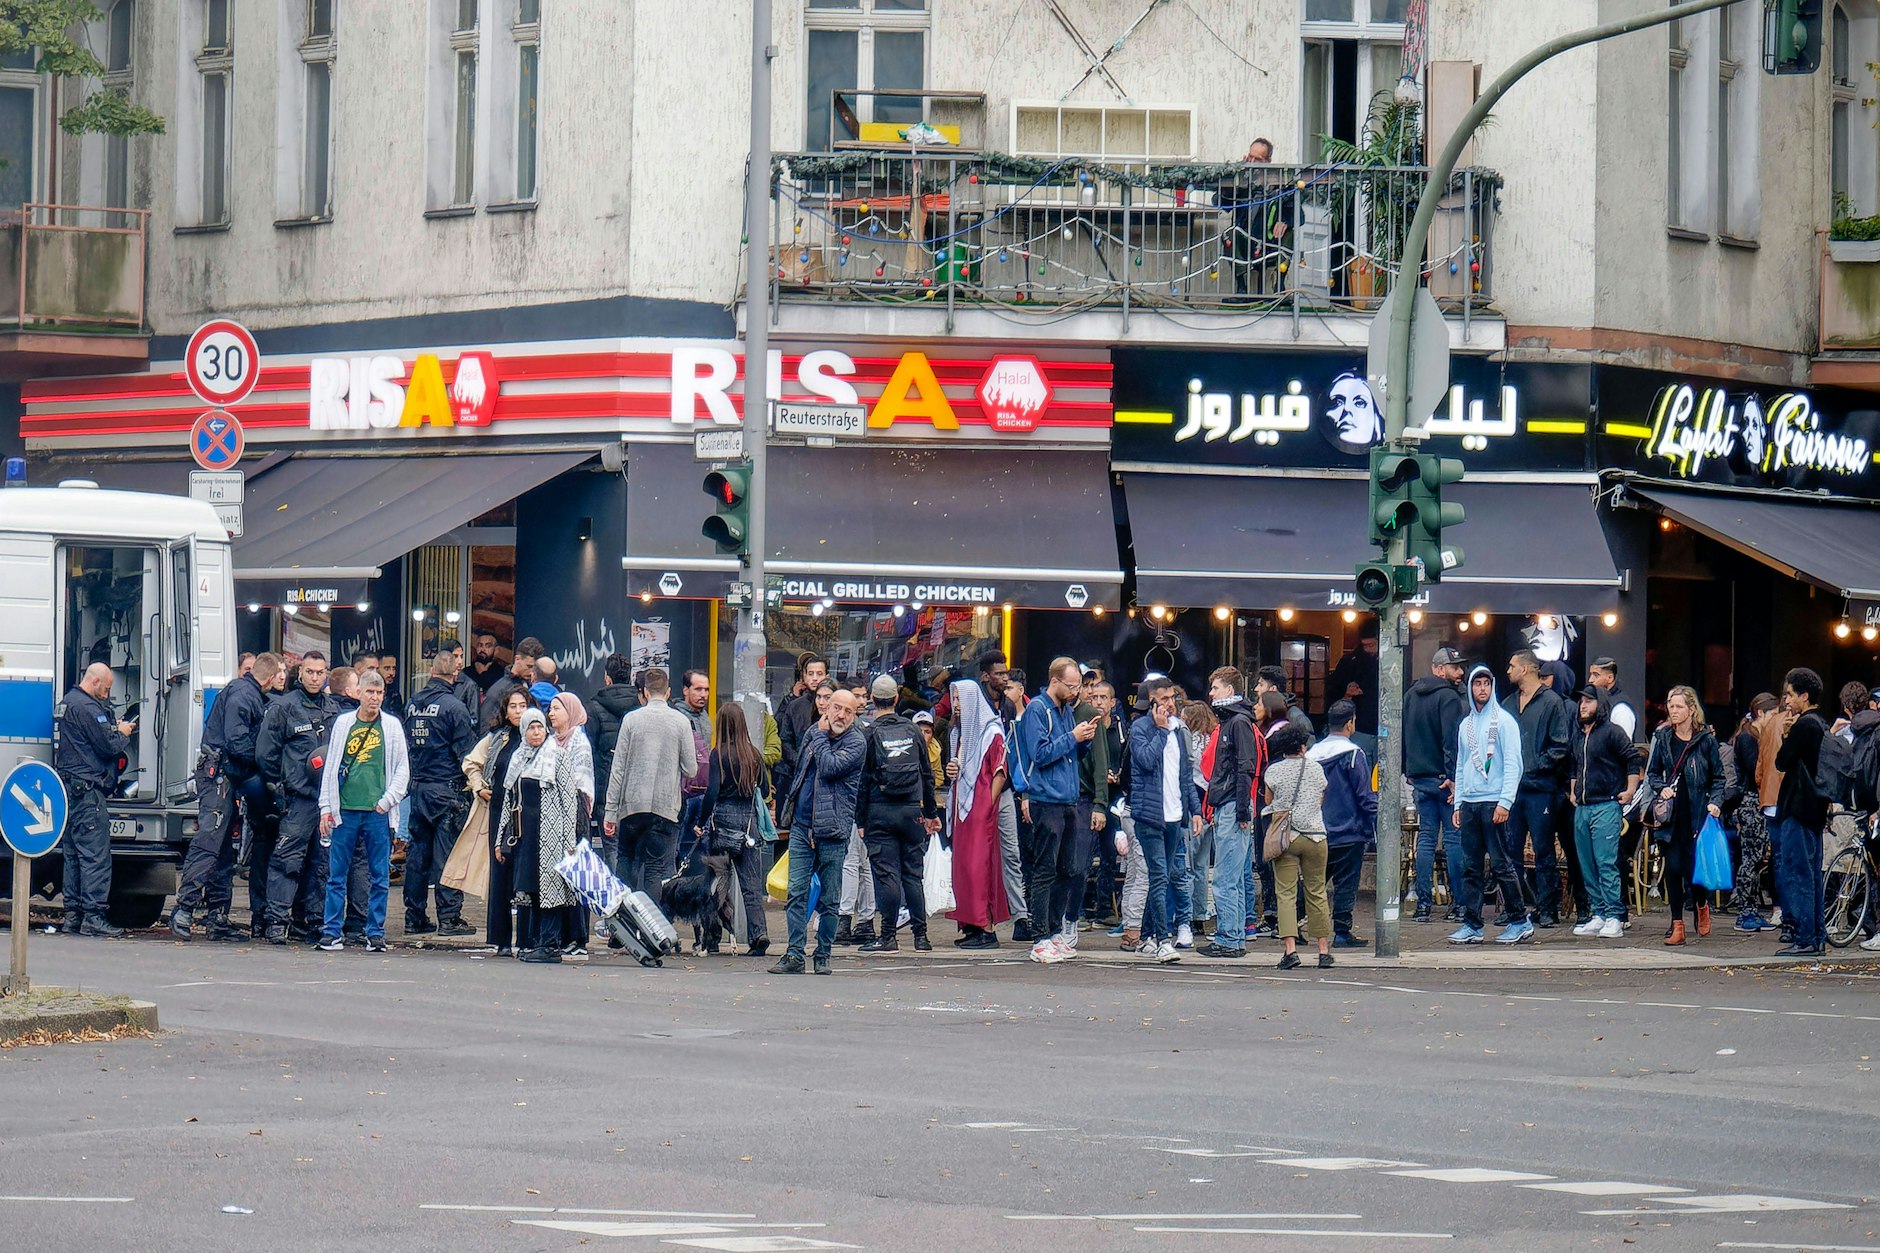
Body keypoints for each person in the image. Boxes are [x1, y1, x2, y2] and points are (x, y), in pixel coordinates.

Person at [173, 651, 281, 941]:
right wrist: (265, 761)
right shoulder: (244, 696)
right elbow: (237, 742)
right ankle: (184, 908)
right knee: (209, 842)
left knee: (222, 849)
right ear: (269, 677)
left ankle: (217, 917)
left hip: (224, 774)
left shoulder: (243, 692)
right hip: (219, 774)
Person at [770, 688, 868, 976]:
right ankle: (794, 954)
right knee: (797, 891)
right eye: (836, 707)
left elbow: (829, 767)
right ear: (826, 706)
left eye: (848, 711)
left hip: (833, 829)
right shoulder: (815, 732)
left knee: (830, 898)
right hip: (802, 825)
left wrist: (821, 737)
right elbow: (801, 771)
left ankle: (823, 954)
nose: (840, 714)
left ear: (854, 715)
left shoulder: (855, 742)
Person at [315, 671, 408, 953]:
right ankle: (332, 931)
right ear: (360, 693)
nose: (375, 698)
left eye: (379, 693)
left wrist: (387, 801)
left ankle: (375, 932)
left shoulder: (391, 726)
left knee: (379, 875)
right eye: (370, 692)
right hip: (345, 810)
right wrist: (326, 808)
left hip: (377, 812)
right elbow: (331, 767)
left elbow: (402, 770)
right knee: (336, 874)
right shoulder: (344, 723)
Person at [1013, 658, 1097, 961]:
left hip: (1067, 800)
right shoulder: (1038, 708)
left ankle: (1054, 930)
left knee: (1068, 868)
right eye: (1071, 685)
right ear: (1055, 681)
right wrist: (1072, 737)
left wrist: (1083, 740)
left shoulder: (1065, 710)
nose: (1075, 691)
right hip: (1045, 800)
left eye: (1077, 686)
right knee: (1045, 869)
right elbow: (1041, 753)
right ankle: (1040, 936)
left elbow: (1068, 751)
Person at [491, 707, 584, 963]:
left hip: (551, 837)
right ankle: (533, 942)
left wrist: (569, 841)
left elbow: (569, 800)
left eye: (540, 727)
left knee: (551, 890)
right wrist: (500, 841)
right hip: (525, 837)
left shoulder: (558, 756)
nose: (536, 732)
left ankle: (550, 945)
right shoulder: (519, 758)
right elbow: (509, 800)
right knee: (530, 889)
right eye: (531, 727)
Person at [256, 651, 337, 944]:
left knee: (322, 864)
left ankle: (314, 922)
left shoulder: (334, 709)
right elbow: (266, 754)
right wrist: (279, 789)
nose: (315, 677)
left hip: (327, 801)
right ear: (299, 672)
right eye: (310, 672)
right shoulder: (283, 707)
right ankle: (277, 922)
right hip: (298, 799)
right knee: (286, 861)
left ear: (326, 673)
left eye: (320, 672)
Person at [854, 679, 940, 954]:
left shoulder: (869, 733)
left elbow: (863, 782)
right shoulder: (914, 731)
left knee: (886, 874)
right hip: (911, 811)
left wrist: (861, 820)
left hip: (879, 812)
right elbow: (926, 774)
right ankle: (921, 937)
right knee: (913, 876)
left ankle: (888, 937)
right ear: (895, 699)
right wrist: (930, 813)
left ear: (872, 700)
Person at [601, 667, 701, 898]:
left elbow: (618, 769)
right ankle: (655, 930)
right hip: (665, 807)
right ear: (668, 692)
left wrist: (610, 812)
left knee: (626, 862)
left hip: (632, 806)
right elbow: (691, 769)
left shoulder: (631, 720)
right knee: (657, 869)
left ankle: (623, 927)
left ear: (645, 691)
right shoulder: (681, 722)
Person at [53, 662, 134, 938]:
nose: (107, 694)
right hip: (88, 791)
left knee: (73, 855)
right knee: (94, 855)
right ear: (95, 681)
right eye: (107, 688)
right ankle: (94, 916)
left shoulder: (68, 703)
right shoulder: (88, 709)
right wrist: (121, 733)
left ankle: (73, 916)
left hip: (70, 790)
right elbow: (107, 746)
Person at [401, 653, 478, 937]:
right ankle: (448, 917)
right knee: (448, 856)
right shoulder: (454, 708)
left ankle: (414, 916)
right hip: (446, 789)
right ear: (455, 674)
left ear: (431, 671)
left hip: (418, 788)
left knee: (417, 857)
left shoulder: (412, 704)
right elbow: (466, 754)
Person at [1449, 664, 1525, 945]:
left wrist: (1505, 801)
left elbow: (1514, 764)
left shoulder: (1504, 722)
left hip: (1493, 800)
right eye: (1477, 684)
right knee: (1471, 866)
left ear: (1493, 687)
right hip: (1469, 801)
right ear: (1470, 688)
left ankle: (1518, 919)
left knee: (1502, 864)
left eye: (1487, 684)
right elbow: (1460, 764)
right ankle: (1472, 923)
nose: (1482, 689)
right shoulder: (1465, 725)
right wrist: (1458, 803)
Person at [1644, 685, 1726, 946]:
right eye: (1670, 705)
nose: (1673, 710)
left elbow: (1718, 777)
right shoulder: (1663, 738)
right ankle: (1677, 924)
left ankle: (1701, 904)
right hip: (1671, 815)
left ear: (1692, 710)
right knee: (1674, 867)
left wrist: (1715, 802)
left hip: (1697, 812)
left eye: (1679, 706)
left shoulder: (1705, 741)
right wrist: (1661, 788)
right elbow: (1653, 773)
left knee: (1694, 869)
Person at [1126, 675, 1200, 964]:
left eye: (1172, 698)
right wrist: (1159, 731)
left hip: (1174, 815)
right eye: (1164, 699)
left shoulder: (1180, 731)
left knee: (1165, 875)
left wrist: (1194, 810)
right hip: (1149, 815)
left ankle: (1145, 937)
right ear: (1151, 701)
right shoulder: (1140, 728)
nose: (1170, 703)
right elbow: (1144, 761)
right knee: (1158, 876)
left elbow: (1186, 776)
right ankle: (1162, 939)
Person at [692, 701, 773, 957]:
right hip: (748, 822)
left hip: (722, 822)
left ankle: (713, 937)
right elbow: (765, 786)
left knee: (716, 882)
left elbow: (712, 792)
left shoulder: (718, 754)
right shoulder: (754, 754)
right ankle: (759, 934)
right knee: (751, 885)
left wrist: (700, 821)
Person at [1502, 649, 1571, 929]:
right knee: (1511, 851)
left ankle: (1547, 909)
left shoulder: (1552, 702)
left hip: (1541, 787)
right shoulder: (1507, 703)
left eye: (1512, 665)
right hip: (1513, 789)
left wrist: (1531, 767)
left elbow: (1560, 745)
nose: (1508, 670)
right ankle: (1514, 910)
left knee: (1544, 851)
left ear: (1527, 669)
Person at [947, 671, 1013, 950]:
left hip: (979, 809)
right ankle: (971, 924)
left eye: (960, 699)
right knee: (963, 868)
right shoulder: (960, 733)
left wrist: (987, 803)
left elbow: (1000, 772)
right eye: (954, 699)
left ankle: (986, 927)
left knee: (979, 868)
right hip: (965, 809)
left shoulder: (991, 732)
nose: (956, 704)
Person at [1567, 686, 1640, 940]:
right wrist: (1574, 791)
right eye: (1581, 702)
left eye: (1589, 701)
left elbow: (1633, 758)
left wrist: (1630, 790)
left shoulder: (1612, 732)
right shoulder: (1579, 735)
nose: (1583, 705)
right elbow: (1575, 766)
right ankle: (1598, 913)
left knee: (1605, 862)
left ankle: (1615, 915)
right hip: (1584, 807)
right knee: (1587, 864)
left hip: (1606, 805)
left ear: (1601, 704)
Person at [1262, 722, 1334, 968]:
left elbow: (1269, 800)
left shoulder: (1273, 772)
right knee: (1317, 891)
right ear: (1303, 746)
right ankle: (1323, 950)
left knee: (1286, 894)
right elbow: (1321, 798)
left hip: (1286, 838)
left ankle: (1290, 950)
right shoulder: (1316, 770)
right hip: (1316, 836)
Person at [1403, 646, 1467, 923]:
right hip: (1444, 779)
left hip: (1419, 777)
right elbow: (1450, 741)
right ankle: (1460, 904)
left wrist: (1409, 769)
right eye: (1455, 668)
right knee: (1453, 840)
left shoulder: (1410, 696)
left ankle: (1422, 904)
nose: (1460, 672)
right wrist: (1453, 776)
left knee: (1426, 840)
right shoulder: (1449, 698)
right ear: (1439, 669)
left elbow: (1403, 733)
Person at [1198, 668, 1258, 958]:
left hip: (1233, 805)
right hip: (1234, 804)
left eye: (1216, 687)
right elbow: (1244, 766)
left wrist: (1242, 810)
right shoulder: (1237, 721)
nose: (1211, 693)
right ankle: (1232, 937)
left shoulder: (1235, 722)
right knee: (1230, 876)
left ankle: (1229, 938)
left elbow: (1245, 766)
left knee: (1225, 877)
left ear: (1230, 691)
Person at [1771, 667, 1831, 957]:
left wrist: (1786, 735)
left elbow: (1782, 762)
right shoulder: (1822, 723)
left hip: (1798, 804)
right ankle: (1817, 934)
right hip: (1816, 806)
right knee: (1812, 871)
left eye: (1791, 695)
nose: (1786, 701)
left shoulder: (1804, 725)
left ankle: (1805, 936)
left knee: (1797, 871)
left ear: (1804, 696)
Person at [468, 687, 531, 954]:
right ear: (505, 710)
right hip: (498, 811)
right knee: (501, 873)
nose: (518, 711)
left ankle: (527, 940)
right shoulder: (497, 739)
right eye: (513, 706)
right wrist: (478, 787)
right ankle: (501, 939)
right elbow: (471, 763)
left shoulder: (537, 736)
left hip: (528, 813)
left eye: (522, 705)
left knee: (526, 875)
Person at [1310, 700, 1377, 948]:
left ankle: (1294, 925)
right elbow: (1364, 794)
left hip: (1318, 829)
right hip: (1349, 831)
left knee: (1315, 882)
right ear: (1351, 723)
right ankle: (1341, 931)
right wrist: (1373, 822)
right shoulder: (1353, 754)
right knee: (1346, 884)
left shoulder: (1312, 754)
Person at [1728, 694, 1780, 933]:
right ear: (1762, 713)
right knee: (1751, 858)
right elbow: (1754, 771)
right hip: (1751, 802)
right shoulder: (1748, 738)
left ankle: (1750, 909)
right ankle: (1746, 910)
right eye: (1773, 714)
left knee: (1758, 858)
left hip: (1756, 801)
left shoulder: (1755, 736)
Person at [584, 653, 639, 873]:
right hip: (636, 789)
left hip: (605, 788)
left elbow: (589, 750)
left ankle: (620, 900)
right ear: (630, 677)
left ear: (607, 678)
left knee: (613, 848)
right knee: (635, 850)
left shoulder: (594, 708)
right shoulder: (640, 705)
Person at [1075, 677, 1123, 929]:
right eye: (1094, 697)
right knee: (1083, 855)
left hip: (1113, 799)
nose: (1098, 702)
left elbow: (1124, 757)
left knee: (1109, 854)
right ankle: (1081, 908)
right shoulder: (1084, 725)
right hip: (1086, 797)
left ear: (1113, 702)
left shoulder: (1120, 728)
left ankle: (1104, 906)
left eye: (1103, 697)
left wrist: (1117, 774)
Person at [776, 652, 828, 818]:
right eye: (810, 674)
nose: (814, 678)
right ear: (804, 676)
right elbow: (785, 739)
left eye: (819, 674)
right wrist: (799, 760)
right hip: (792, 773)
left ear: (826, 675)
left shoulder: (835, 705)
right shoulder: (794, 706)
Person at [483, 637, 544, 729]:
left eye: (535, 668)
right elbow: (485, 724)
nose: (532, 672)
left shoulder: (534, 686)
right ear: (517, 659)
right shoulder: (499, 689)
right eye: (529, 666)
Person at [1584, 657, 1640, 742]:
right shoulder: (1601, 702)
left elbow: (1622, 747)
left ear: (1610, 678)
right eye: (1591, 675)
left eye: (1596, 675)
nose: (1590, 680)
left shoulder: (1621, 709)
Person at [1254, 665, 1315, 738]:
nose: (1256, 689)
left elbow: (1308, 745)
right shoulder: (1261, 713)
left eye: (1261, 685)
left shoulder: (1296, 717)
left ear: (1273, 689)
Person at [440, 639, 481, 720]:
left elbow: (474, 719)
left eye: (461, 656)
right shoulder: (437, 682)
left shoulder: (469, 686)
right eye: (455, 656)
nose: (460, 661)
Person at [467, 632, 504, 708]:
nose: (483, 649)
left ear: (496, 650)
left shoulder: (502, 674)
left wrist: (483, 673)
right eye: (480, 645)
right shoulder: (467, 672)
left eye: (488, 646)